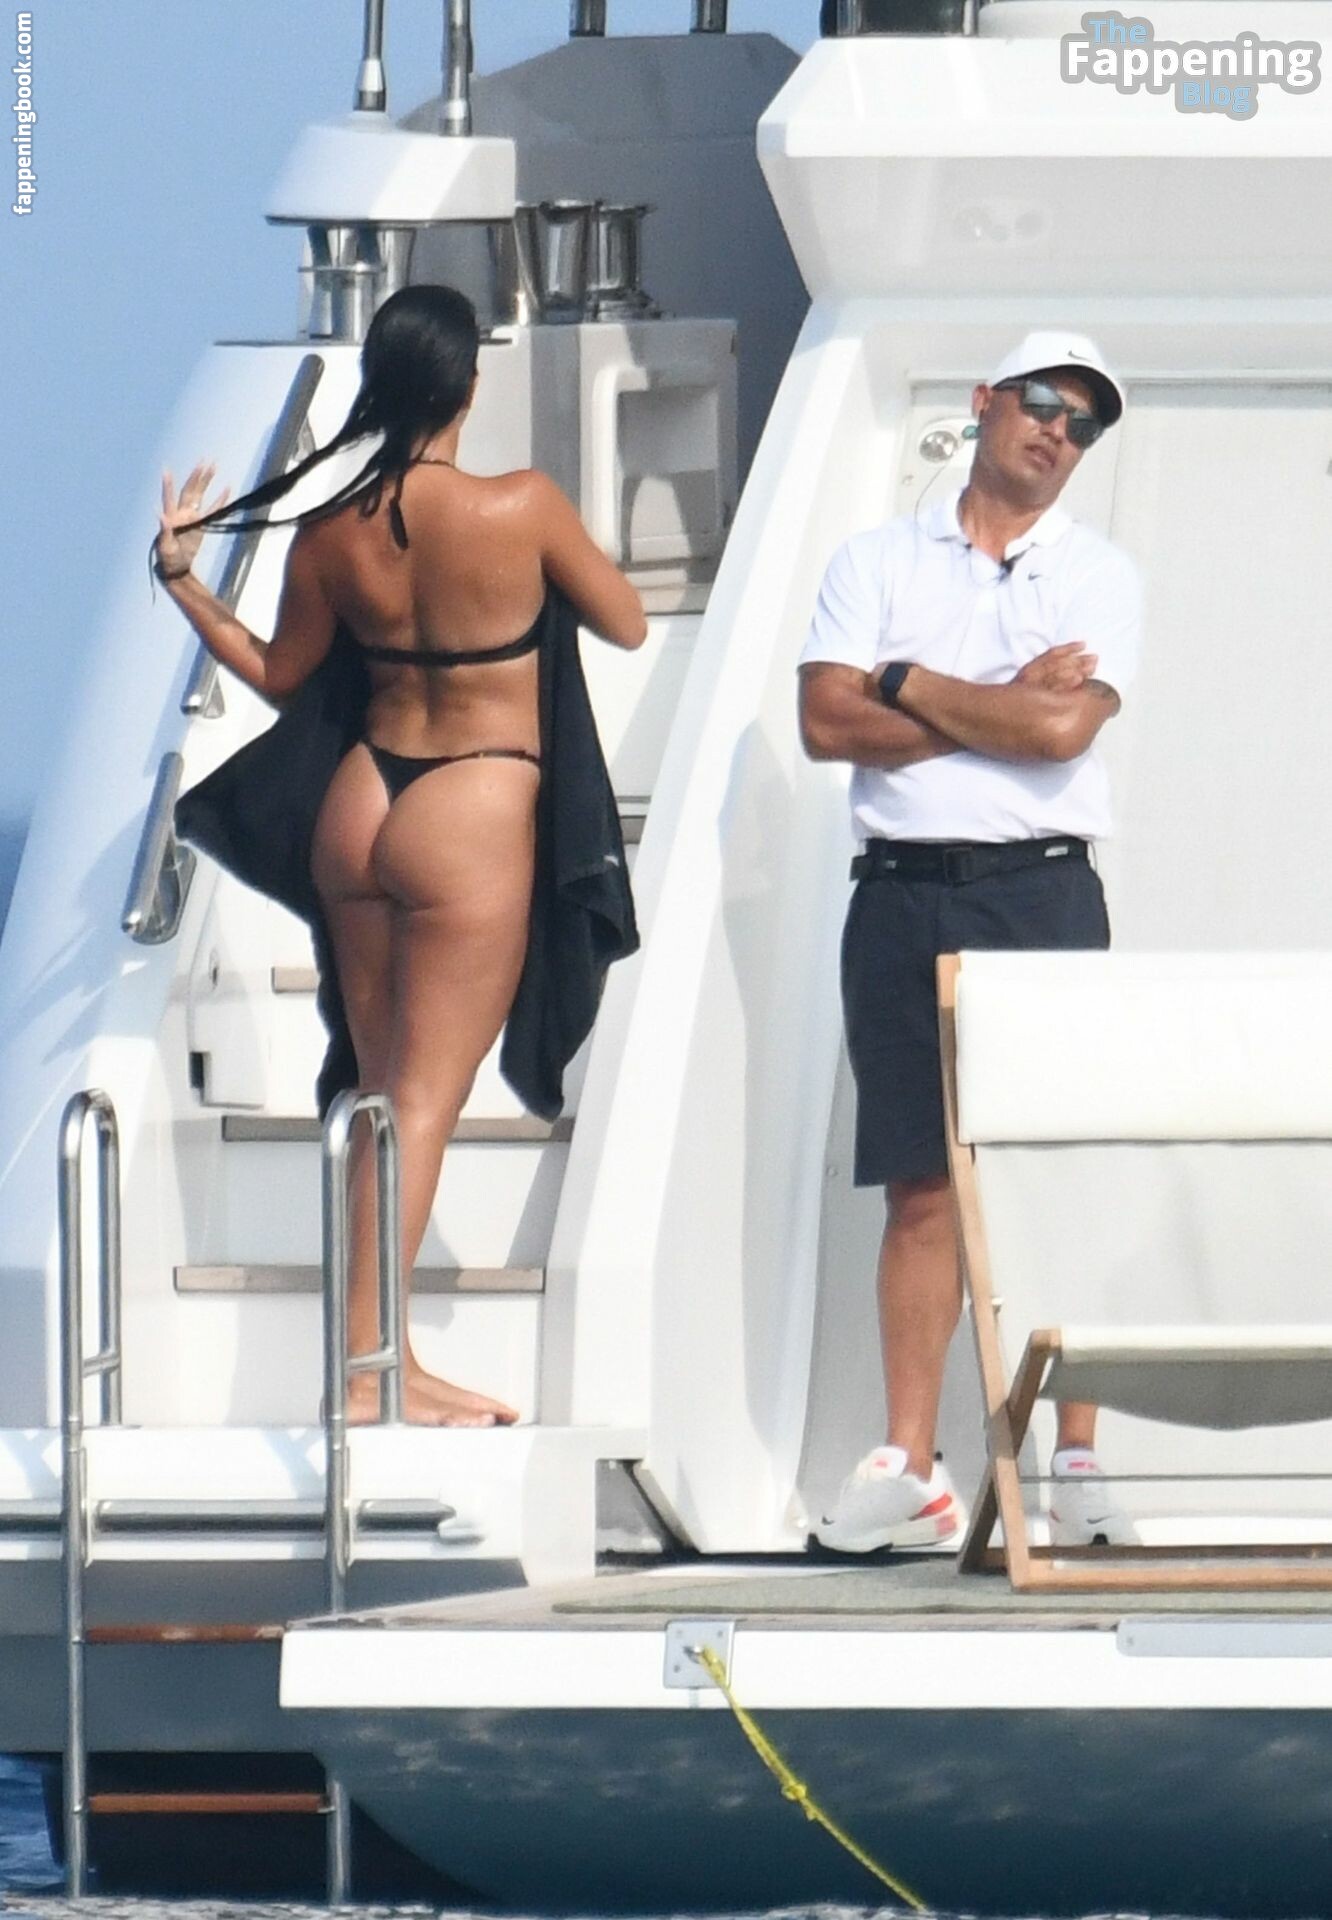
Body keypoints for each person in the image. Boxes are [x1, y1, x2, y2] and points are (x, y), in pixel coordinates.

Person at [152, 285, 647, 1428]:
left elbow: (278, 677)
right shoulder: (520, 506)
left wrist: (183, 580)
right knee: (423, 1100)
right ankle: (369, 1376)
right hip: (473, 802)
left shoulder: (331, 534)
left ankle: (380, 1360)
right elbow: (624, 620)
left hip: (361, 802)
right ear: (468, 383)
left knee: (378, 1098)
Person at [797, 330, 1143, 1551]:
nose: (1060, 432)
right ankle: (912, 1466)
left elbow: (1060, 738)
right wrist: (999, 699)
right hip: (899, 894)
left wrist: (903, 681)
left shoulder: (1098, 574)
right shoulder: (875, 558)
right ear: (987, 402)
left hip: (1039, 892)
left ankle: (1077, 1463)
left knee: (1057, 1176)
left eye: (1084, 423)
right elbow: (824, 725)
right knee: (920, 1185)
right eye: (1045, 403)